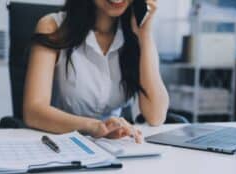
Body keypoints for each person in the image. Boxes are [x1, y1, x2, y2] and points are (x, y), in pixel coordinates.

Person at [23, 0, 169, 143]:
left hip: (115, 146)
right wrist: (94, 127)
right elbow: (34, 111)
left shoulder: (134, 33)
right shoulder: (52, 26)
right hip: (60, 142)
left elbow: (155, 116)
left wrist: (145, 35)